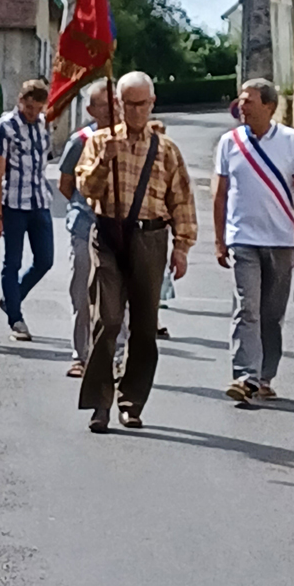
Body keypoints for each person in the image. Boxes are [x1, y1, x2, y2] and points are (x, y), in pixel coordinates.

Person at [76, 70, 197, 433]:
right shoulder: (100, 141)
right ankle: (100, 404)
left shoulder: (166, 150)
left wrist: (182, 246)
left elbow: (181, 199)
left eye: (141, 104)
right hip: (109, 234)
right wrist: (104, 161)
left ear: (152, 103)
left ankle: (132, 401)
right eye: (127, 104)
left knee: (144, 326)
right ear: (118, 104)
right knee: (107, 320)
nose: (134, 111)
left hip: (151, 238)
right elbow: (86, 189)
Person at [213, 78, 294, 403]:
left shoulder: (290, 140)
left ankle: (265, 376)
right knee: (247, 308)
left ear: (269, 106)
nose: (242, 106)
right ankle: (245, 376)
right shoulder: (229, 142)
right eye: (241, 100)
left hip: (282, 239)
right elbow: (220, 194)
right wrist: (219, 239)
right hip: (243, 238)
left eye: (250, 101)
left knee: (272, 314)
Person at [57, 78, 120, 376]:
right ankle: (79, 355)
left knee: (119, 296)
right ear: (91, 109)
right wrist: (84, 207)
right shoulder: (80, 141)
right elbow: (65, 183)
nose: (111, 110)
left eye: (114, 104)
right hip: (85, 225)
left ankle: (116, 357)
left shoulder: (129, 140)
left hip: (119, 228)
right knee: (81, 291)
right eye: (104, 106)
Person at [0, 79, 54, 342]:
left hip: (39, 201)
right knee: (11, 262)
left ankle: (11, 297)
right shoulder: (3, 128)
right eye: (29, 107)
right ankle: (16, 318)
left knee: (45, 260)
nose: (32, 113)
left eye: (37, 108)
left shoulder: (42, 125)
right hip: (13, 204)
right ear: (20, 101)